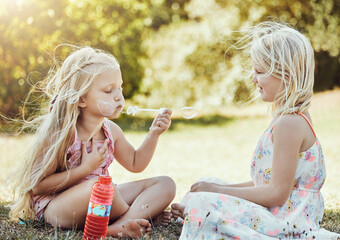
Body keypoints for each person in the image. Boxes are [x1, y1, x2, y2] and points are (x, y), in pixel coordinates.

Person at [171, 21, 340, 239]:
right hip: (275, 213)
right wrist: (214, 187)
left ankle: (198, 214)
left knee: (204, 197)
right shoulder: (289, 119)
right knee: (209, 181)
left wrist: (216, 192)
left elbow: (277, 194)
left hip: (285, 222)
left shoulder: (289, 124)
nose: (253, 79)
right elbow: (266, 183)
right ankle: (193, 213)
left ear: (286, 75)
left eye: (259, 71)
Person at [9, 46, 176, 238]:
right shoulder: (62, 134)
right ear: (81, 99)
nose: (118, 96)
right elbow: (38, 186)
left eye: (119, 88)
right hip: (57, 208)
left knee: (166, 184)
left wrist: (154, 134)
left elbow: (136, 163)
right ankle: (132, 217)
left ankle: (120, 224)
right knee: (101, 187)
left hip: (102, 199)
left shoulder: (111, 131)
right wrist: (85, 169)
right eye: (108, 90)